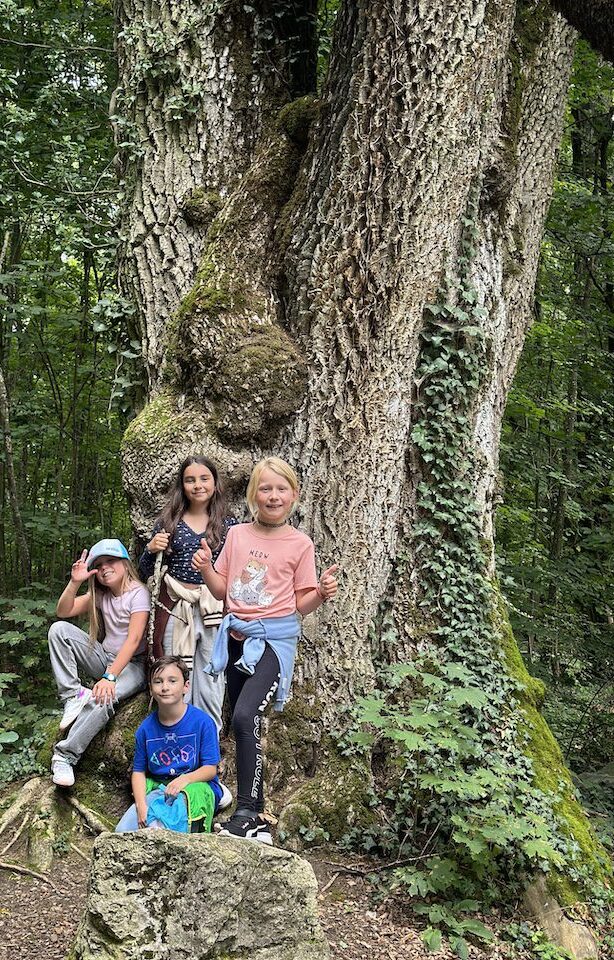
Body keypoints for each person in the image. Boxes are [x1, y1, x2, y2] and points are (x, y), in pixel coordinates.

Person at [192, 456, 338, 844]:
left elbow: (300, 602)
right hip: (236, 638)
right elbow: (223, 590)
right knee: (243, 724)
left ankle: (247, 812)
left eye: (281, 489)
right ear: (254, 495)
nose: (273, 496)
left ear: (295, 495)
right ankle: (250, 813)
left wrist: (321, 594)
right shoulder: (238, 535)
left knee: (243, 717)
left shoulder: (300, 544)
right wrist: (206, 567)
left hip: (274, 642)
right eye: (266, 488)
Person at [138, 456, 238, 733]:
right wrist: (151, 549)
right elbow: (147, 571)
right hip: (175, 607)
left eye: (204, 478)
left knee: (211, 672)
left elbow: (236, 570)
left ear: (215, 483)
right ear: (182, 486)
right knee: (174, 671)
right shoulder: (168, 522)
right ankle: (176, 734)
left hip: (213, 609)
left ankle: (208, 736)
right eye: (190, 480)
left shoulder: (228, 524)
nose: (197, 485)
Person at [48, 538, 150, 788]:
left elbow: (134, 639)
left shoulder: (139, 593)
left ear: (125, 563)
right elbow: (63, 611)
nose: (105, 568)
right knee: (59, 630)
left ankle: (65, 755)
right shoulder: (101, 595)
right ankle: (73, 695)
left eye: (111, 561)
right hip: (104, 657)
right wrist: (75, 582)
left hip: (132, 666)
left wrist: (109, 677)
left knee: (103, 697)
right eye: (99, 564)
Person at [115, 656, 225, 833]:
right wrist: (141, 805)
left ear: (185, 686)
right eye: (158, 682)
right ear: (151, 689)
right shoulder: (145, 730)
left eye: (172, 681)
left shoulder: (202, 722)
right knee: (123, 832)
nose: (165, 687)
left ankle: (217, 798)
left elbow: (210, 769)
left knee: (171, 825)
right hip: (160, 787)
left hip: (193, 784)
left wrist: (185, 779)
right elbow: (138, 771)